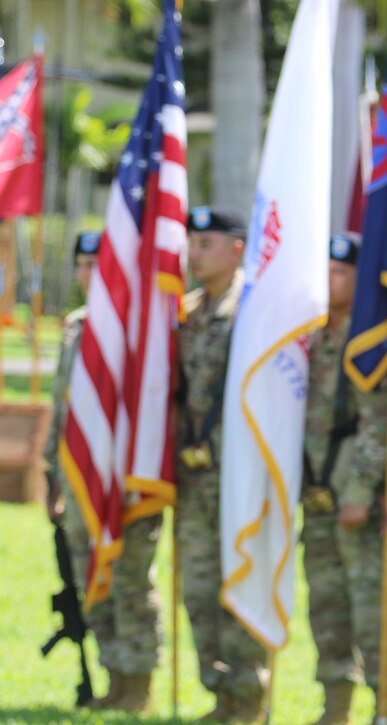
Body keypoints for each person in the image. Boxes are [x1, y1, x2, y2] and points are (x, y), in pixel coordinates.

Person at [43, 230, 162, 711]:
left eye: (99, 264)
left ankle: (139, 684)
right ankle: (114, 676)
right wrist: (52, 475)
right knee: (91, 576)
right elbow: (61, 410)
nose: (89, 274)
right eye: (83, 265)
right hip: (77, 478)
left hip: (124, 479)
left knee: (131, 579)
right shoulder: (76, 326)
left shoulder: (136, 331)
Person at [301, 233, 387, 724]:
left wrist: (361, 490)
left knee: (374, 608)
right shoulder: (307, 337)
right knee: (325, 604)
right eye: (323, 270)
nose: (329, 280)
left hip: (356, 495)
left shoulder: (368, 340)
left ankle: (386, 707)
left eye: (340, 272)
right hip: (314, 493)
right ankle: (336, 706)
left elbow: (379, 423)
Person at [176, 206, 268, 722]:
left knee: (241, 580)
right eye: (192, 242)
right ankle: (218, 693)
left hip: (241, 476)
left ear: (236, 249)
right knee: (199, 587)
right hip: (196, 475)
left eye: (206, 243)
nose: (194, 252)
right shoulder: (186, 313)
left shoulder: (256, 311)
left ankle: (249, 696)